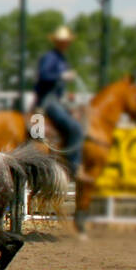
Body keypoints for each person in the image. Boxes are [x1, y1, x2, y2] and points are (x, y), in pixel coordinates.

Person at [35, 25, 83, 178]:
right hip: (48, 101)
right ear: (57, 42)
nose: (65, 44)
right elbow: (43, 76)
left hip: (56, 99)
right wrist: (61, 76)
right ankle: (74, 167)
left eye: (66, 41)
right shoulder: (50, 57)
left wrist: (66, 92)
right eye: (62, 41)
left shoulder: (61, 58)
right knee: (75, 127)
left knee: (78, 119)